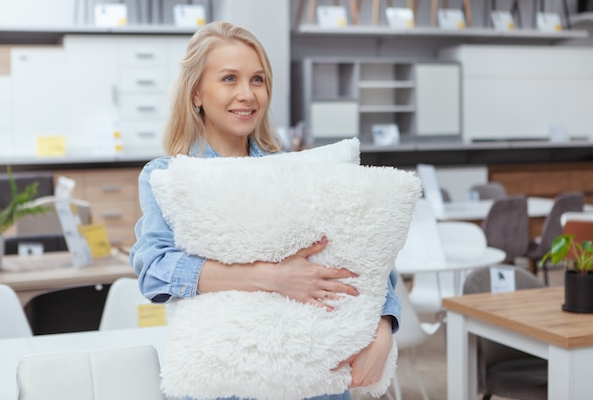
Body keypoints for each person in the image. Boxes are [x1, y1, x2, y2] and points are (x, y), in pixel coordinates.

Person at [129, 21, 401, 400]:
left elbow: (369, 256)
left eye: (257, 80)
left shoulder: (298, 172)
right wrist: (273, 277)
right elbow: (156, 272)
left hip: (313, 380)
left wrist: (384, 330)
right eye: (229, 79)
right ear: (196, 93)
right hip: (226, 382)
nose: (247, 94)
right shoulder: (167, 177)